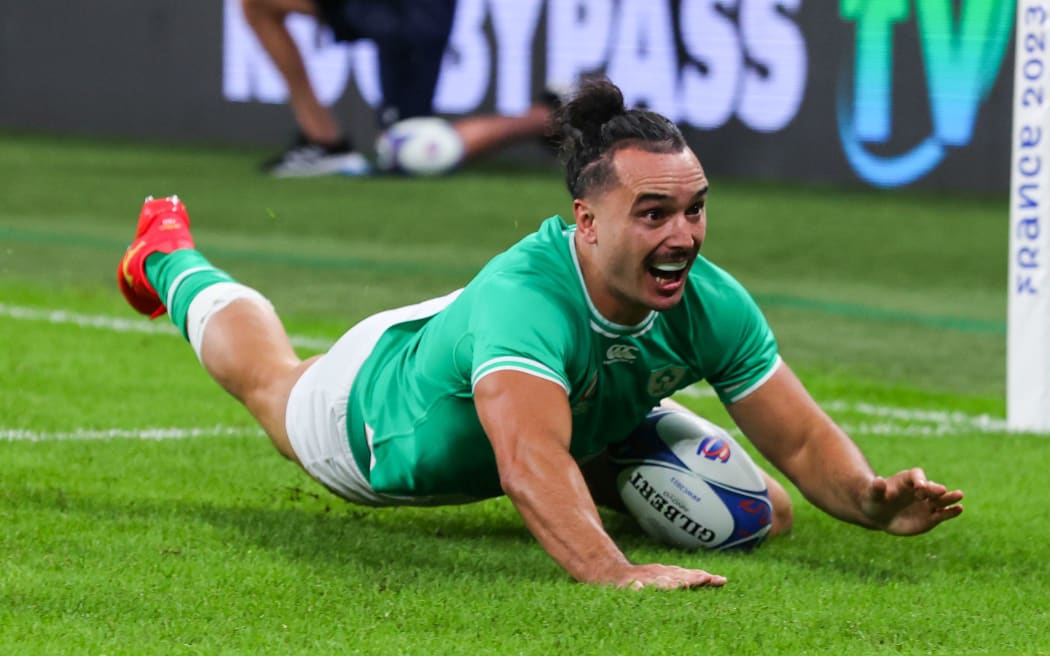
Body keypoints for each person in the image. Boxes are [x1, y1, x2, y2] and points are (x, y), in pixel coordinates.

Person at [116, 78, 964, 589]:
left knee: (759, 518)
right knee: (268, 377)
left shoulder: (708, 297)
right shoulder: (527, 302)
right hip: (379, 412)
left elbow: (806, 437)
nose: (685, 235)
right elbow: (524, 465)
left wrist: (868, 500)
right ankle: (168, 258)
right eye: (655, 213)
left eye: (696, 208)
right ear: (586, 222)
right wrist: (614, 573)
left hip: (563, 379)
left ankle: (600, 447)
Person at [241, 0, 557, 177]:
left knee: (409, 151)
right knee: (258, 4)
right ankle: (324, 140)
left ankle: (548, 116)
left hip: (418, 14)